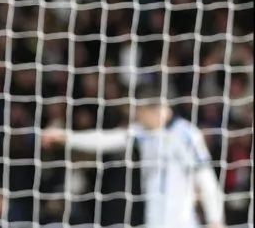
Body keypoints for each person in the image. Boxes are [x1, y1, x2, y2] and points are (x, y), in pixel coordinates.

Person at [41, 84, 225, 228]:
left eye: (139, 113)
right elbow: (106, 139)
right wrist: (67, 137)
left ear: (152, 110)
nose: (137, 118)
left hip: (181, 223)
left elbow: (205, 177)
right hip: (154, 221)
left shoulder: (186, 135)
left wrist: (215, 219)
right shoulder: (144, 133)